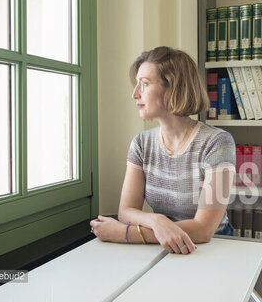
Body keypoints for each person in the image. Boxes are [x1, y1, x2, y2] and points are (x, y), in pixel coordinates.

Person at [90, 46, 236, 255]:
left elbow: (204, 230)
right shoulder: (141, 143)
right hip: (162, 248)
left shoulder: (218, 142)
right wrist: (157, 220)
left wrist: (124, 234)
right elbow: (126, 211)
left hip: (214, 249)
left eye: (144, 84)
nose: (135, 94)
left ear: (174, 87)